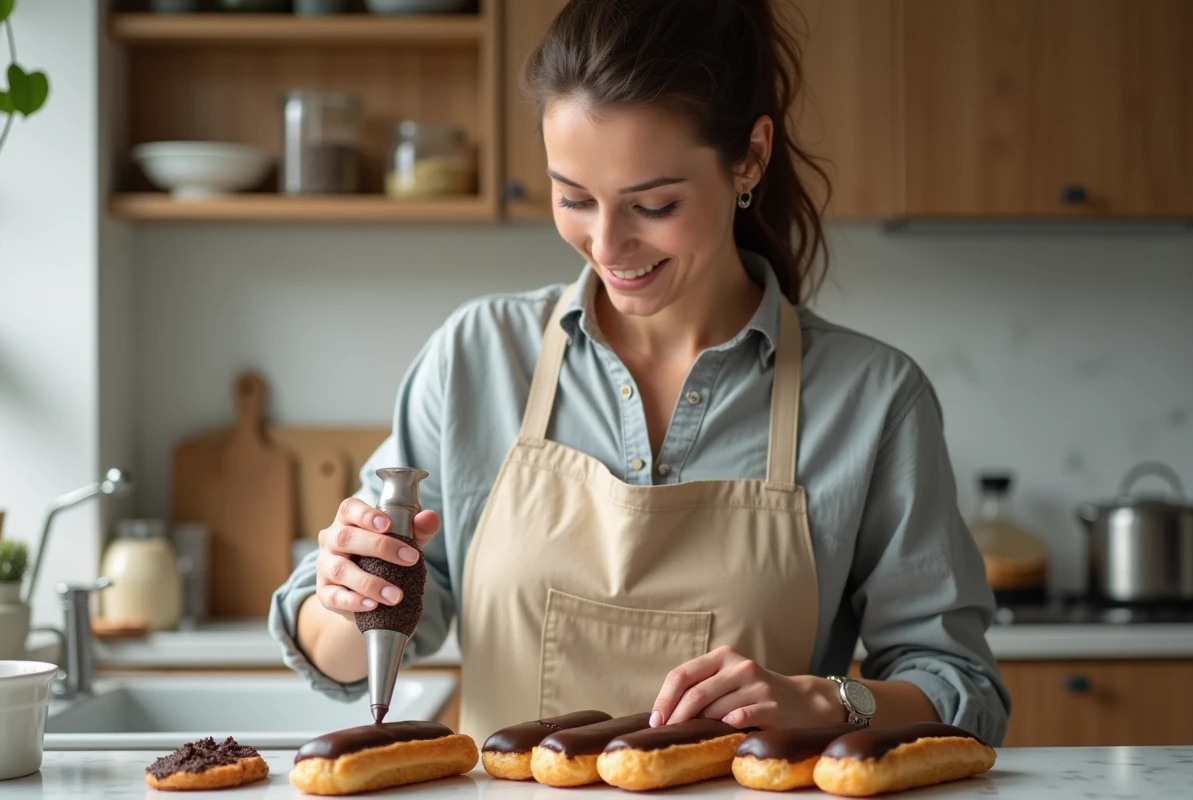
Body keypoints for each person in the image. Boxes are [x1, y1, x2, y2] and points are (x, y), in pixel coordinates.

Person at [269, 0, 1011, 748]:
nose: (607, 244)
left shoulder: (873, 399)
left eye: (653, 205)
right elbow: (343, 653)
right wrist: (350, 592)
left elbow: (962, 689)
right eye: (573, 198)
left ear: (750, 157)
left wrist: (825, 702)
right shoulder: (476, 359)